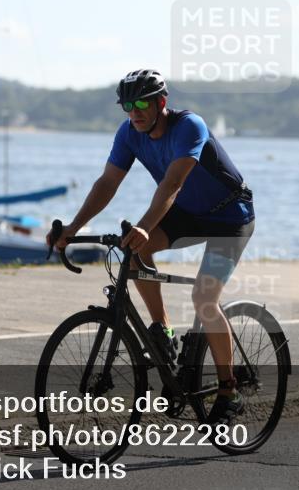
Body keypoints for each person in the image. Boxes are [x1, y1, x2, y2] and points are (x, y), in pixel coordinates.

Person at [48, 69, 254, 425]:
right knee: (135, 251)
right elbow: (108, 182)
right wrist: (72, 228)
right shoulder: (129, 133)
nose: (135, 111)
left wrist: (145, 226)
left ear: (162, 102)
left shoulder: (190, 127)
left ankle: (229, 389)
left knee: (204, 300)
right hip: (187, 214)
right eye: (127, 105)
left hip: (230, 217)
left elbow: (173, 184)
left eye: (142, 102)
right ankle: (163, 332)